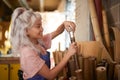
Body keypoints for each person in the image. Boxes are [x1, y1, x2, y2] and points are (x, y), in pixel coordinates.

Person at [10, 7, 78, 80]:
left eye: (41, 25)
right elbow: (50, 75)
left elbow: (57, 31)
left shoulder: (37, 41)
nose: (42, 29)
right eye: (38, 26)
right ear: (26, 30)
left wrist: (64, 23)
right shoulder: (27, 52)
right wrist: (68, 54)